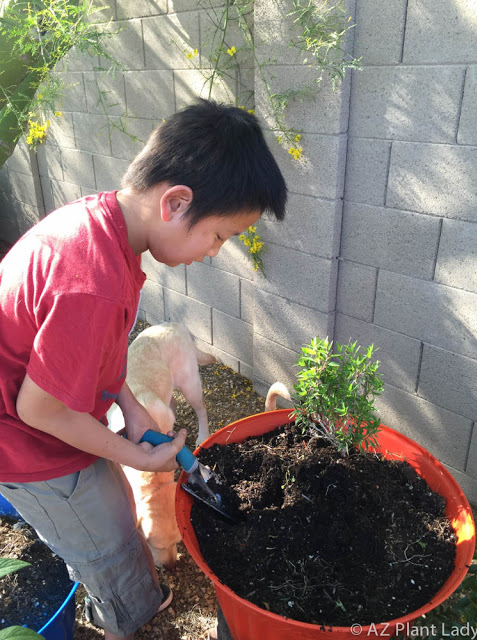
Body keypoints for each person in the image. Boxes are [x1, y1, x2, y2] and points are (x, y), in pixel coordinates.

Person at [0, 99, 287, 640]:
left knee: (109, 516)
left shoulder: (107, 234)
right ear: (176, 203)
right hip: (29, 443)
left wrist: (128, 409)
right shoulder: (94, 282)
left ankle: (126, 590)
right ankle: (124, 619)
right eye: (220, 235)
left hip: (51, 421)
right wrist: (134, 453)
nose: (213, 252)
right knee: (104, 540)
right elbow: (38, 407)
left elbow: (104, 357)